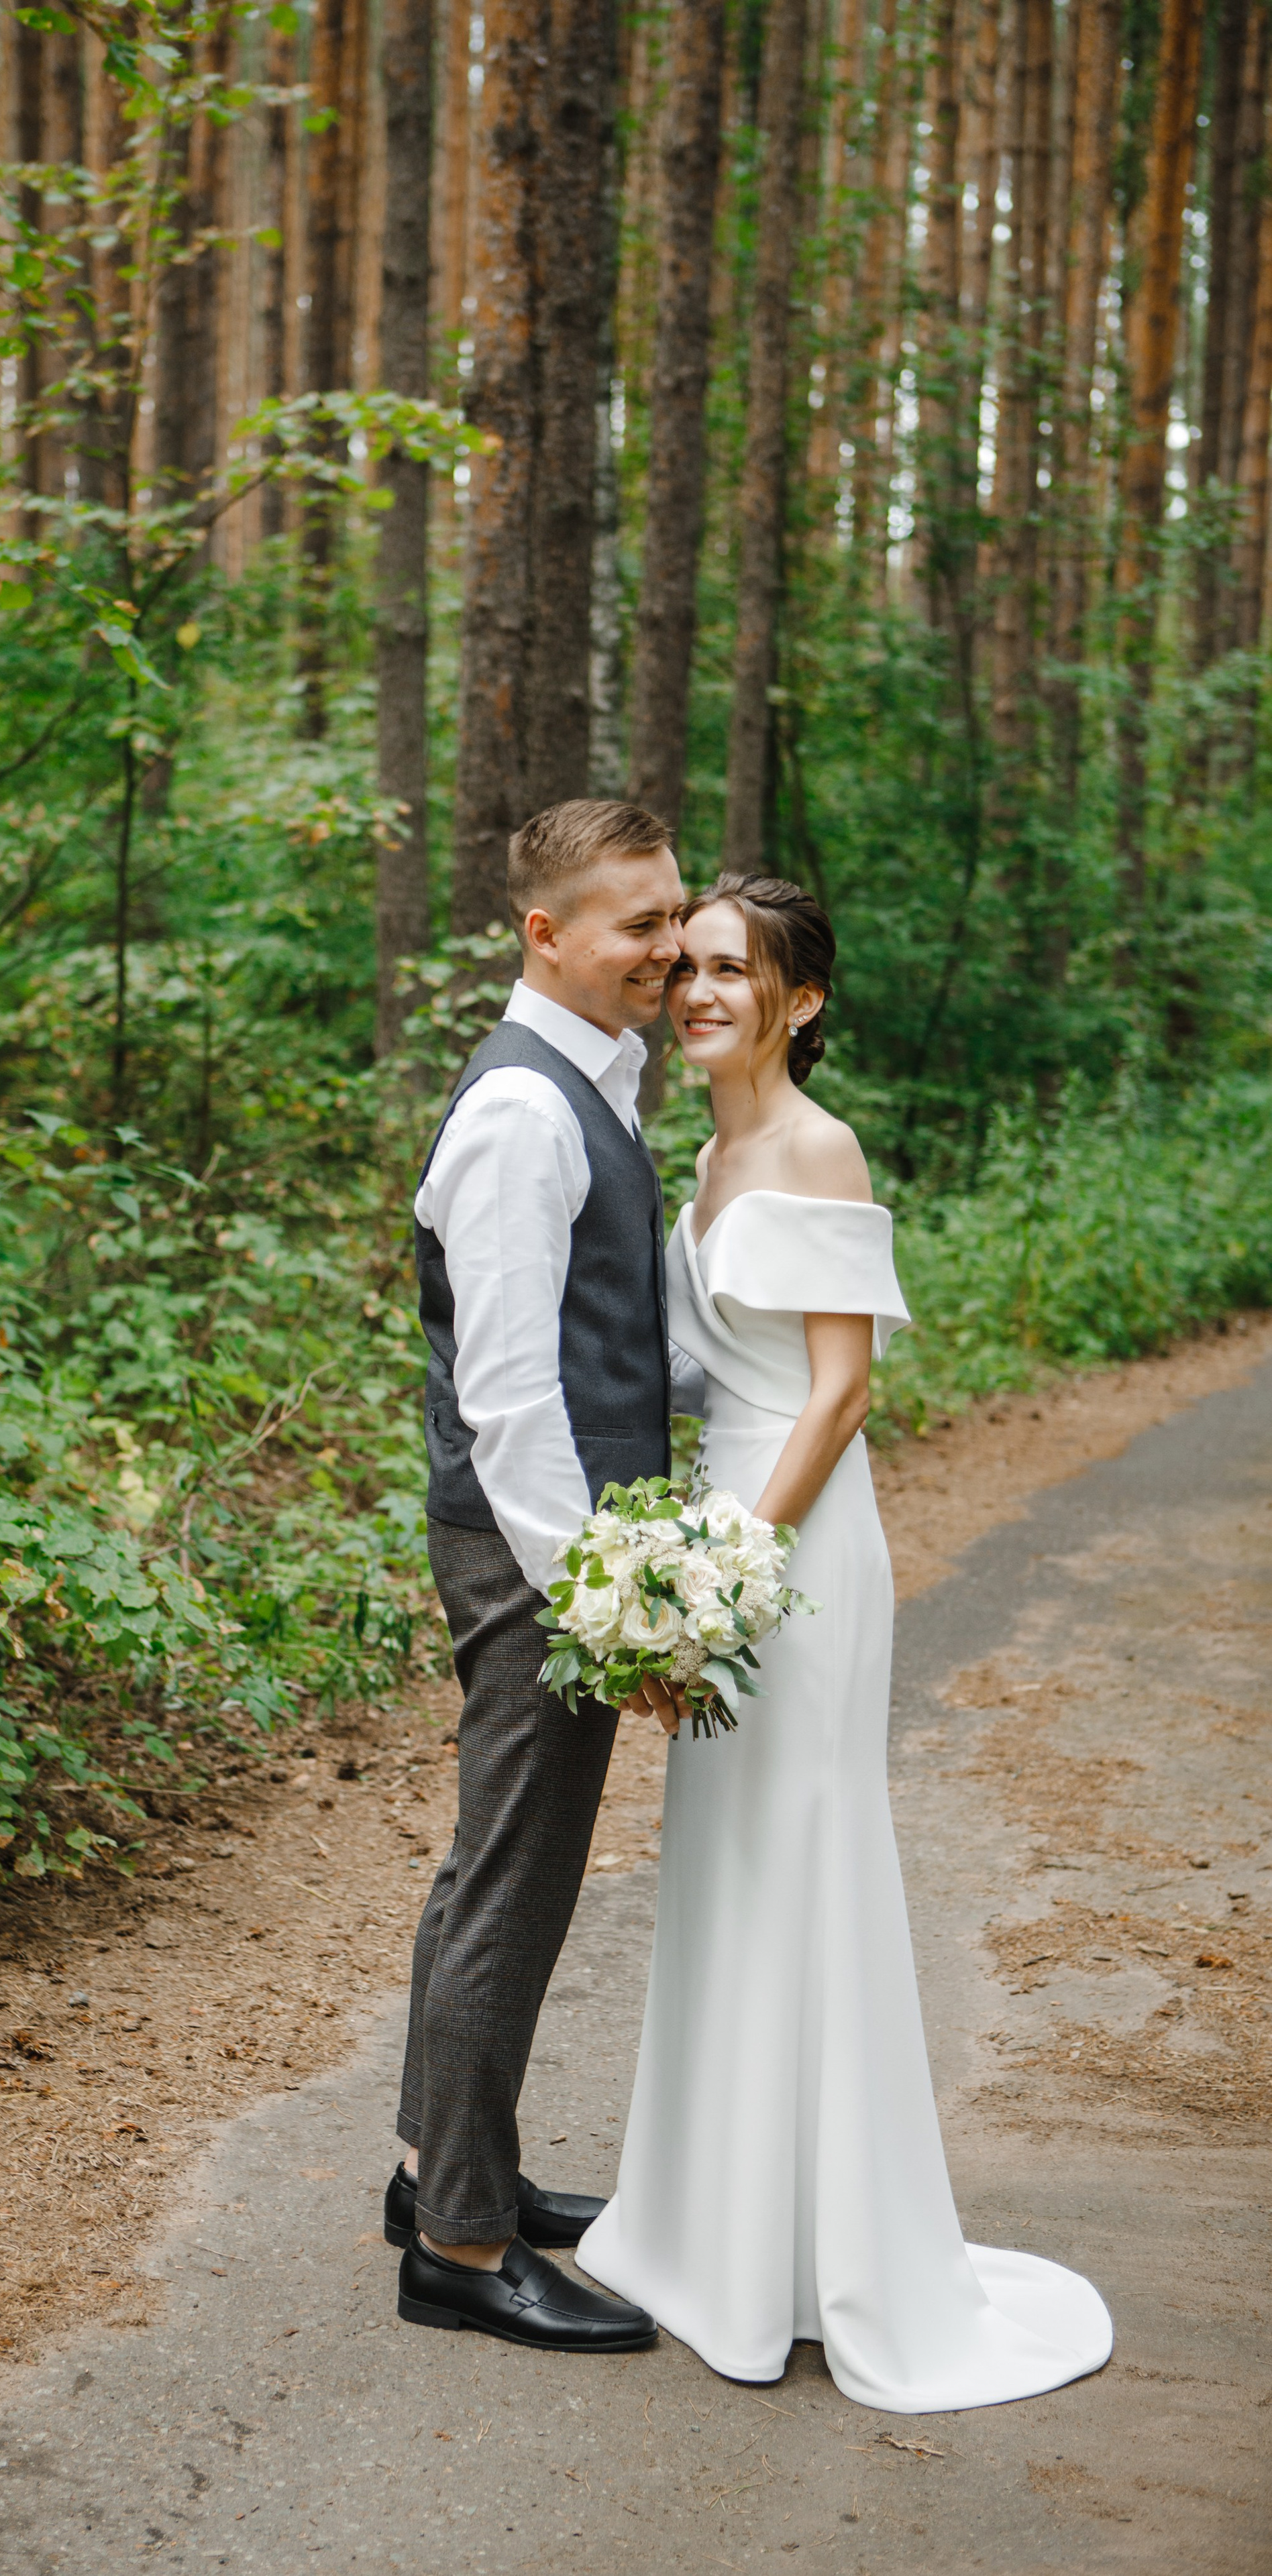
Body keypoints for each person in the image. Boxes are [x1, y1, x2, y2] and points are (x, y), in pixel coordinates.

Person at [575, 872, 1114, 2411]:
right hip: (723, 1537)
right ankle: (711, 2227)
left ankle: (819, 2256)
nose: (697, 991)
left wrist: (729, 1566)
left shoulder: (812, 1146)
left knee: (801, 1855)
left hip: (798, 1552)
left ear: (798, 1002)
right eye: (686, 967)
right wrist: (663, 1562)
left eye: (732, 972)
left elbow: (836, 1392)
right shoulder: (709, 1146)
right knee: (725, 1864)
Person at [387, 799, 691, 2353]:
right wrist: (604, 1600)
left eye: (673, 914)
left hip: (551, 1540)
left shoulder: (591, 1082)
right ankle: (454, 2242)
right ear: (545, 933)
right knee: (516, 1873)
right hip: (535, 1555)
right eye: (635, 923)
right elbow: (510, 1399)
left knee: (492, 1859)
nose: (669, 946)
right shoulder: (522, 1112)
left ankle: (451, 2164)